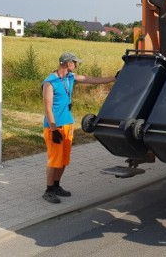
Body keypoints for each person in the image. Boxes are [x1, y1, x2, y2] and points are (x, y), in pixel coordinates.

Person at [41, 52, 116, 204]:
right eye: (75, 62)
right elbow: (47, 108)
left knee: (63, 160)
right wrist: (54, 129)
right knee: (54, 160)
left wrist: (113, 78)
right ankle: (48, 191)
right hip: (54, 127)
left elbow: (91, 79)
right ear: (68, 63)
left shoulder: (70, 77)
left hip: (68, 124)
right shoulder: (50, 82)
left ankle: (56, 186)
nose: (76, 65)